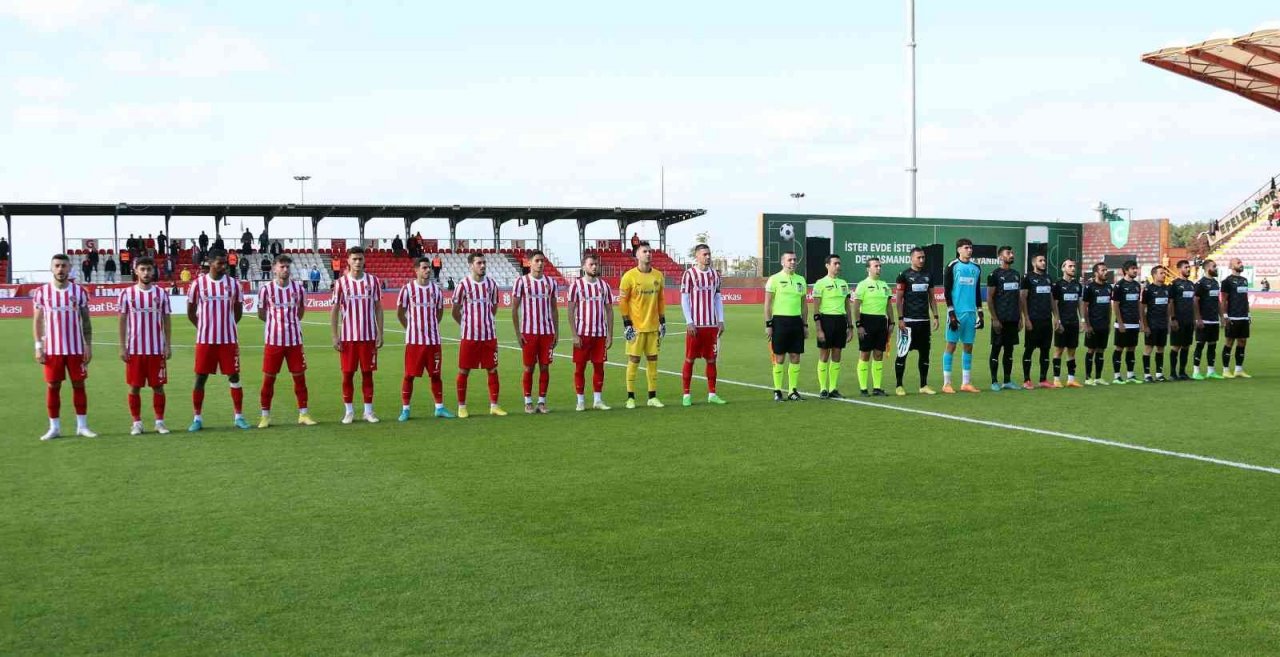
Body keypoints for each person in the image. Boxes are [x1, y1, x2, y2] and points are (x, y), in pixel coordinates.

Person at [32, 254, 97, 440]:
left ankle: (82, 426)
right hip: (52, 349)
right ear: (51, 268)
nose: (61, 269)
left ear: (70, 269)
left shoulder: (79, 292)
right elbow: (37, 322)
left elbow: (86, 322)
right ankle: (54, 428)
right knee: (53, 386)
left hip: (76, 348)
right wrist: (38, 346)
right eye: (57, 266)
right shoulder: (41, 292)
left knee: (79, 385)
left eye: (64, 266)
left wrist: (88, 345)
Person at [187, 253, 248, 431]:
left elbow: (238, 312)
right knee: (200, 377)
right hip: (205, 340)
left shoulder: (234, 284)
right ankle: (197, 418)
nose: (224, 266)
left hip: (228, 340)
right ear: (210, 263)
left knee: (234, 376)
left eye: (225, 263)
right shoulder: (198, 284)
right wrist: (204, 327)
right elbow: (191, 312)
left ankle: (239, 416)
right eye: (220, 263)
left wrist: (226, 326)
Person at [257, 255, 315, 428]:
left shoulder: (298, 289)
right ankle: (265, 416)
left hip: (294, 342)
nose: (285, 270)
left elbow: (301, 310)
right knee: (269, 379)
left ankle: (303, 414)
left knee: (299, 378)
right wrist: (276, 325)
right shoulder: (266, 289)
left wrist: (292, 325)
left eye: (287, 267)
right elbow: (261, 313)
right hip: (273, 341)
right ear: (274, 268)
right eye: (282, 267)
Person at [330, 247, 384, 424]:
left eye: (360, 259)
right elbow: (335, 310)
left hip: (368, 337)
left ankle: (368, 411)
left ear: (364, 260)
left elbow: (378, 308)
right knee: (348, 375)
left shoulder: (373, 281)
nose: (358, 262)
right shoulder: (341, 283)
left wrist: (380, 332)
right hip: (348, 338)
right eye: (354, 259)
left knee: (368, 374)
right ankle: (349, 411)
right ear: (348, 261)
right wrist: (334, 335)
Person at [118, 257, 171, 435]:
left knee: (158, 386)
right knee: (134, 386)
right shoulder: (127, 294)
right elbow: (122, 320)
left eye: (149, 269)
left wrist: (167, 344)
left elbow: (167, 319)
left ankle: (159, 422)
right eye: (143, 269)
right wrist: (122, 346)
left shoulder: (161, 294)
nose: (146, 273)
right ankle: (137, 423)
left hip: (156, 349)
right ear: (136, 271)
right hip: (135, 349)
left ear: (153, 271)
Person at [397, 257, 453, 421]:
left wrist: (431, 327)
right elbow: (400, 313)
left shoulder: (436, 290)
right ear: (416, 270)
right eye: (424, 268)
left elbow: (439, 313)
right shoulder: (407, 289)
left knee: (436, 375)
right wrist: (410, 328)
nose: (428, 270)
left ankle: (439, 408)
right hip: (414, 342)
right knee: (409, 375)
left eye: (429, 268)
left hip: (434, 341)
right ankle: (405, 409)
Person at [452, 252, 506, 417]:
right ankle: (462, 407)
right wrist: (467, 325)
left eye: (484, 263)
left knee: (492, 369)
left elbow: (494, 308)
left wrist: (486, 321)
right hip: (469, 337)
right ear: (471, 265)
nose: (482, 266)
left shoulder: (491, 284)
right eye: (479, 263)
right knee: (464, 371)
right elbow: (455, 311)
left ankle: (494, 406)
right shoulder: (463, 285)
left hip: (489, 336)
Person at [620, 241, 668, 408]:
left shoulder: (658, 276)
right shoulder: (629, 277)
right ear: (637, 255)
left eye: (650, 251)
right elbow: (623, 302)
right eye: (644, 251)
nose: (648, 254)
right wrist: (627, 323)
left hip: (653, 327)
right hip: (636, 328)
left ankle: (652, 396)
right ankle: (630, 397)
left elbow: (661, 300)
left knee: (653, 360)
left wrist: (663, 320)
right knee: (634, 360)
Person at [512, 250, 559, 414]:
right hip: (529, 332)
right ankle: (528, 401)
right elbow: (514, 308)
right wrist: (518, 333)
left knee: (545, 367)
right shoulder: (521, 282)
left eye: (542, 261)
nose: (540, 263)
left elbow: (554, 309)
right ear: (529, 262)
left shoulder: (551, 283)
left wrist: (556, 332)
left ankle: (542, 401)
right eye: (537, 260)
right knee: (529, 368)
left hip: (547, 333)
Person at [680, 243, 727, 406]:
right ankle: (686, 395)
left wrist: (721, 320)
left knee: (712, 360)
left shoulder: (715, 275)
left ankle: (712, 394)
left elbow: (717, 298)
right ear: (697, 256)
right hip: (696, 326)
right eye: (704, 254)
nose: (708, 257)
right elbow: (685, 299)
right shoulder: (689, 274)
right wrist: (689, 321)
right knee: (690, 359)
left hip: (711, 326)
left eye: (709, 254)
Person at [567, 252, 614, 411]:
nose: (594, 267)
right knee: (580, 368)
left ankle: (597, 400)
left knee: (599, 367)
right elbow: (570, 311)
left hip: (600, 334)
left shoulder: (604, 286)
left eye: (596, 264)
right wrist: (574, 334)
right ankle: (580, 400)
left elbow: (609, 311)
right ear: (584, 267)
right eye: (591, 264)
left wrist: (610, 334)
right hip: (582, 334)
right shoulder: (576, 286)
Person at [894, 247, 938, 395]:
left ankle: (923, 385)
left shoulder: (928, 275)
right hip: (908, 322)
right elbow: (899, 299)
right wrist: (900, 319)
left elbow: (932, 297)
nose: (921, 260)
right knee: (902, 353)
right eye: (918, 257)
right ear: (911, 258)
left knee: (925, 354)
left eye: (923, 257)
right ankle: (899, 385)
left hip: (924, 321)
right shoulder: (904, 275)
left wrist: (936, 316)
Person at [941, 239, 983, 393]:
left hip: (970, 313)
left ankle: (966, 383)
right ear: (959, 249)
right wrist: (951, 312)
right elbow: (947, 291)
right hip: (956, 313)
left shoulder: (976, 268)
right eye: (966, 248)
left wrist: (980, 312)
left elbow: (977, 291)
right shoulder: (952, 266)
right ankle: (946, 383)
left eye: (971, 248)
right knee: (951, 345)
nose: (969, 250)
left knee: (968, 346)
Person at [853, 258, 894, 396]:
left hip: (881, 322)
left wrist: (892, 322)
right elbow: (856, 306)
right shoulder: (862, 285)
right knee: (865, 354)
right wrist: (859, 324)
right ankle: (863, 388)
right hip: (867, 321)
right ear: (868, 269)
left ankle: (877, 388)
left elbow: (889, 305)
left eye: (880, 266)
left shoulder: (884, 285)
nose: (879, 268)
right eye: (876, 266)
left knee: (878, 354)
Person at [812, 254, 851, 398]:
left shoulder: (843, 283)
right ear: (827, 265)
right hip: (826, 320)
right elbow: (816, 308)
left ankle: (833, 388)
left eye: (839, 263)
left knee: (837, 354)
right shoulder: (820, 283)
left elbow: (847, 306)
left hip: (840, 321)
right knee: (824, 355)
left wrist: (850, 326)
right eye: (835, 263)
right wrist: (818, 328)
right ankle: (823, 389)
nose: (838, 266)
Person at [986, 246, 1022, 391]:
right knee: (996, 349)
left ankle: (1007, 380)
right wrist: (994, 319)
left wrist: (1020, 318)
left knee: (1009, 351)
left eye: (1012, 253)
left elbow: (1018, 297)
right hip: (1000, 319)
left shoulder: (1016, 274)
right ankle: (994, 381)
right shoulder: (994, 274)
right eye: (1008, 253)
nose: (1011, 255)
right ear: (1000, 257)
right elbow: (989, 298)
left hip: (1013, 319)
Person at [1019, 253, 1055, 389]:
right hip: (1033, 319)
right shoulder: (1027, 278)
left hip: (1046, 319)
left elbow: (1051, 298)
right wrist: (1026, 318)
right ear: (1034, 263)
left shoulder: (1048, 278)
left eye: (1044, 260)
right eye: (1041, 260)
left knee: (1045, 350)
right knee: (1029, 349)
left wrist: (1056, 316)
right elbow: (1023, 298)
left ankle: (1043, 379)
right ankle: (1027, 379)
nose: (1044, 262)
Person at [1050, 259, 1084, 388]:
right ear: (1063, 268)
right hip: (1062, 322)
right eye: (1070, 266)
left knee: (1072, 351)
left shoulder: (1077, 285)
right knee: (1058, 350)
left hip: (1074, 322)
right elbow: (1055, 304)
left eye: (1074, 266)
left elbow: (1079, 303)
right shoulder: (1058, 285)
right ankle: (1056, 379)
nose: (1073, 268)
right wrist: (1057, 320)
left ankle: (1071, 379)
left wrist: (1082, 320)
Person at [1110, 260, 1143, 384]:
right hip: (1122, 323)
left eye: (1136, 268)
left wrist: (1140, 321)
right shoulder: (1119, 285)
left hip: (1134, 322)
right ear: (1126, 270)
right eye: (1133, 268)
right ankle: (1117, 376)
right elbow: (1116, 305)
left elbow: (1138, 303)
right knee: (1119, 348)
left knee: (1132, 349)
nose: (1135, 270)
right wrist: (1120, 322)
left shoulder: (1136, 285)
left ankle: (1130, 375)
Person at [1220, 257, 1252, 379]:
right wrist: (1225, 315)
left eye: (1241, 262)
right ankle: (1226, 370)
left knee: (1242, 341)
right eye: (1238, 263)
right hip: (1232, 316)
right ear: (1231, 265)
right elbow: (1223, 300)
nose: (1241, 264)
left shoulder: (1244, 280)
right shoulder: (1227, 281)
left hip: (1243, 316)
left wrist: (1248, 314)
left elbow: (1246, 299)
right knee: (1229, 342)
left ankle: (1239, 369)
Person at [1082, 263, 1113, 386]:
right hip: (1093, 324)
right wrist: (1087, 324)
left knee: (1101, 351)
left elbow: (1109, 307)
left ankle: (1098, 377)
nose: (1106, 272)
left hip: (1104, 325)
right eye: (1103, 270)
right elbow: (1085, 307)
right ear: (1096, 273)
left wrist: (1109, 323)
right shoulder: (1090, 287)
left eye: (1106, 269)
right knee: (1091, 350)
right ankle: (1088, 377)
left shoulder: (1108, 287)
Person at [1140, 265, 1172, 382]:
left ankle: (1159, 374)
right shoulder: (1148, 290)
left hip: (1163, 324)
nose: (1164, 275)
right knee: (1148, 348)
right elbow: (1142, 308)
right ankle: (1147, 374)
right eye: (1161, 273)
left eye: (1164, 273)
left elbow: (1168, 307)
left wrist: (1168, 323)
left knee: (1161, 348)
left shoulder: (1166, 289)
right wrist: (1145, 325)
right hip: (1152, 324)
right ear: (1154, 275)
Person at [1191, 259, 1222, 380]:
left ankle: (1211, 371)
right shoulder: (1200, 283)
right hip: (1204, 320)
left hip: (1214, 319)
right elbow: (1195, 301)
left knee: (1212, 346)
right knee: (1200, 345)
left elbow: (1217, 301)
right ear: (1207, 268)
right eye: (1214, 266)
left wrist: (1222, 317)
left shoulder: (1215, 283)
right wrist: (1198, 318)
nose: (1216, 268)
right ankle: (1196, 371)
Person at [1168, 259, 1197, 381]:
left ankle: (1182, 372)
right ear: (1179, 269)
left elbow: (1193, 303)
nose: (1188, 269)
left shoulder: (1191, 284)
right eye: (1185, 267)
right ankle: (1173, 373)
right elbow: (1171, 302)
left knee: (1186, 346)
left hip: (1189, 320)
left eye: (1188, 267)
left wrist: (1195, 319)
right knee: (1176, 346)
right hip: (1178, 320)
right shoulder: (1174, 284)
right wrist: (1173, 318)